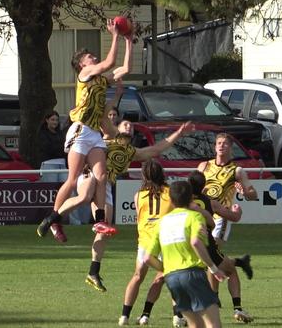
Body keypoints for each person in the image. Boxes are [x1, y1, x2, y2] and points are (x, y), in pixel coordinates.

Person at [48, 113, 193, 293]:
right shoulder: (107, 138)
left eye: (131, 126)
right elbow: (100, 116)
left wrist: (179, 132)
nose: (129, 127)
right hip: (91, 174)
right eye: (126, 125)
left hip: (106, 184)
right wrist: (113, 93)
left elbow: (157, 149)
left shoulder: (131, 151)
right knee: (85, 196)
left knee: (104, 228)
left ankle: (93, 271)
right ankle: (52, 220)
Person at [37, 19, 133, 240]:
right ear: (82, 63)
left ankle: (99, 220)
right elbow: (109, 62)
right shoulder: (86, 74)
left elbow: (125, 69)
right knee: (72, 180)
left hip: (93, 132)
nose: (94, 58)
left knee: (101, 176)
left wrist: (128, 41)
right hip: (79, 130)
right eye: (90, 56)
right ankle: (52, 218)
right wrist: (115, 34)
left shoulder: (100, 79)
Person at [143, 181, 226, 328]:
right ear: (191, 199)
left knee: (195, 325)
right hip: (193, 274)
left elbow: (148, 257)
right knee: (213, 323)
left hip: (172, 279)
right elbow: (196, 243)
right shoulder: (194, 217)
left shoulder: (162, 222)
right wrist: (214, 269)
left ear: (171, 200)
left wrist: (165, 269)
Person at [188, 170, 254, 324]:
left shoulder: (180, 202)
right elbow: (234, 217)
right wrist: (237, 211)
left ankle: (178, 315)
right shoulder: (211, 202)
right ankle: (237, 308)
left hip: (184, 244)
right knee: (230, 270)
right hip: (206, 244)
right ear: (204, 186)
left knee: (183, 277)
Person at [118, 159, 172, 326]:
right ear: (161, 173)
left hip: (145, 241)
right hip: (165, 240)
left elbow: (140, 216)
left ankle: (124, 316)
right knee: (164, 276)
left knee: (137, 276)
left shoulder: (138, 195)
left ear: (144, 176)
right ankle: (147, 314)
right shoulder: (170, 193)